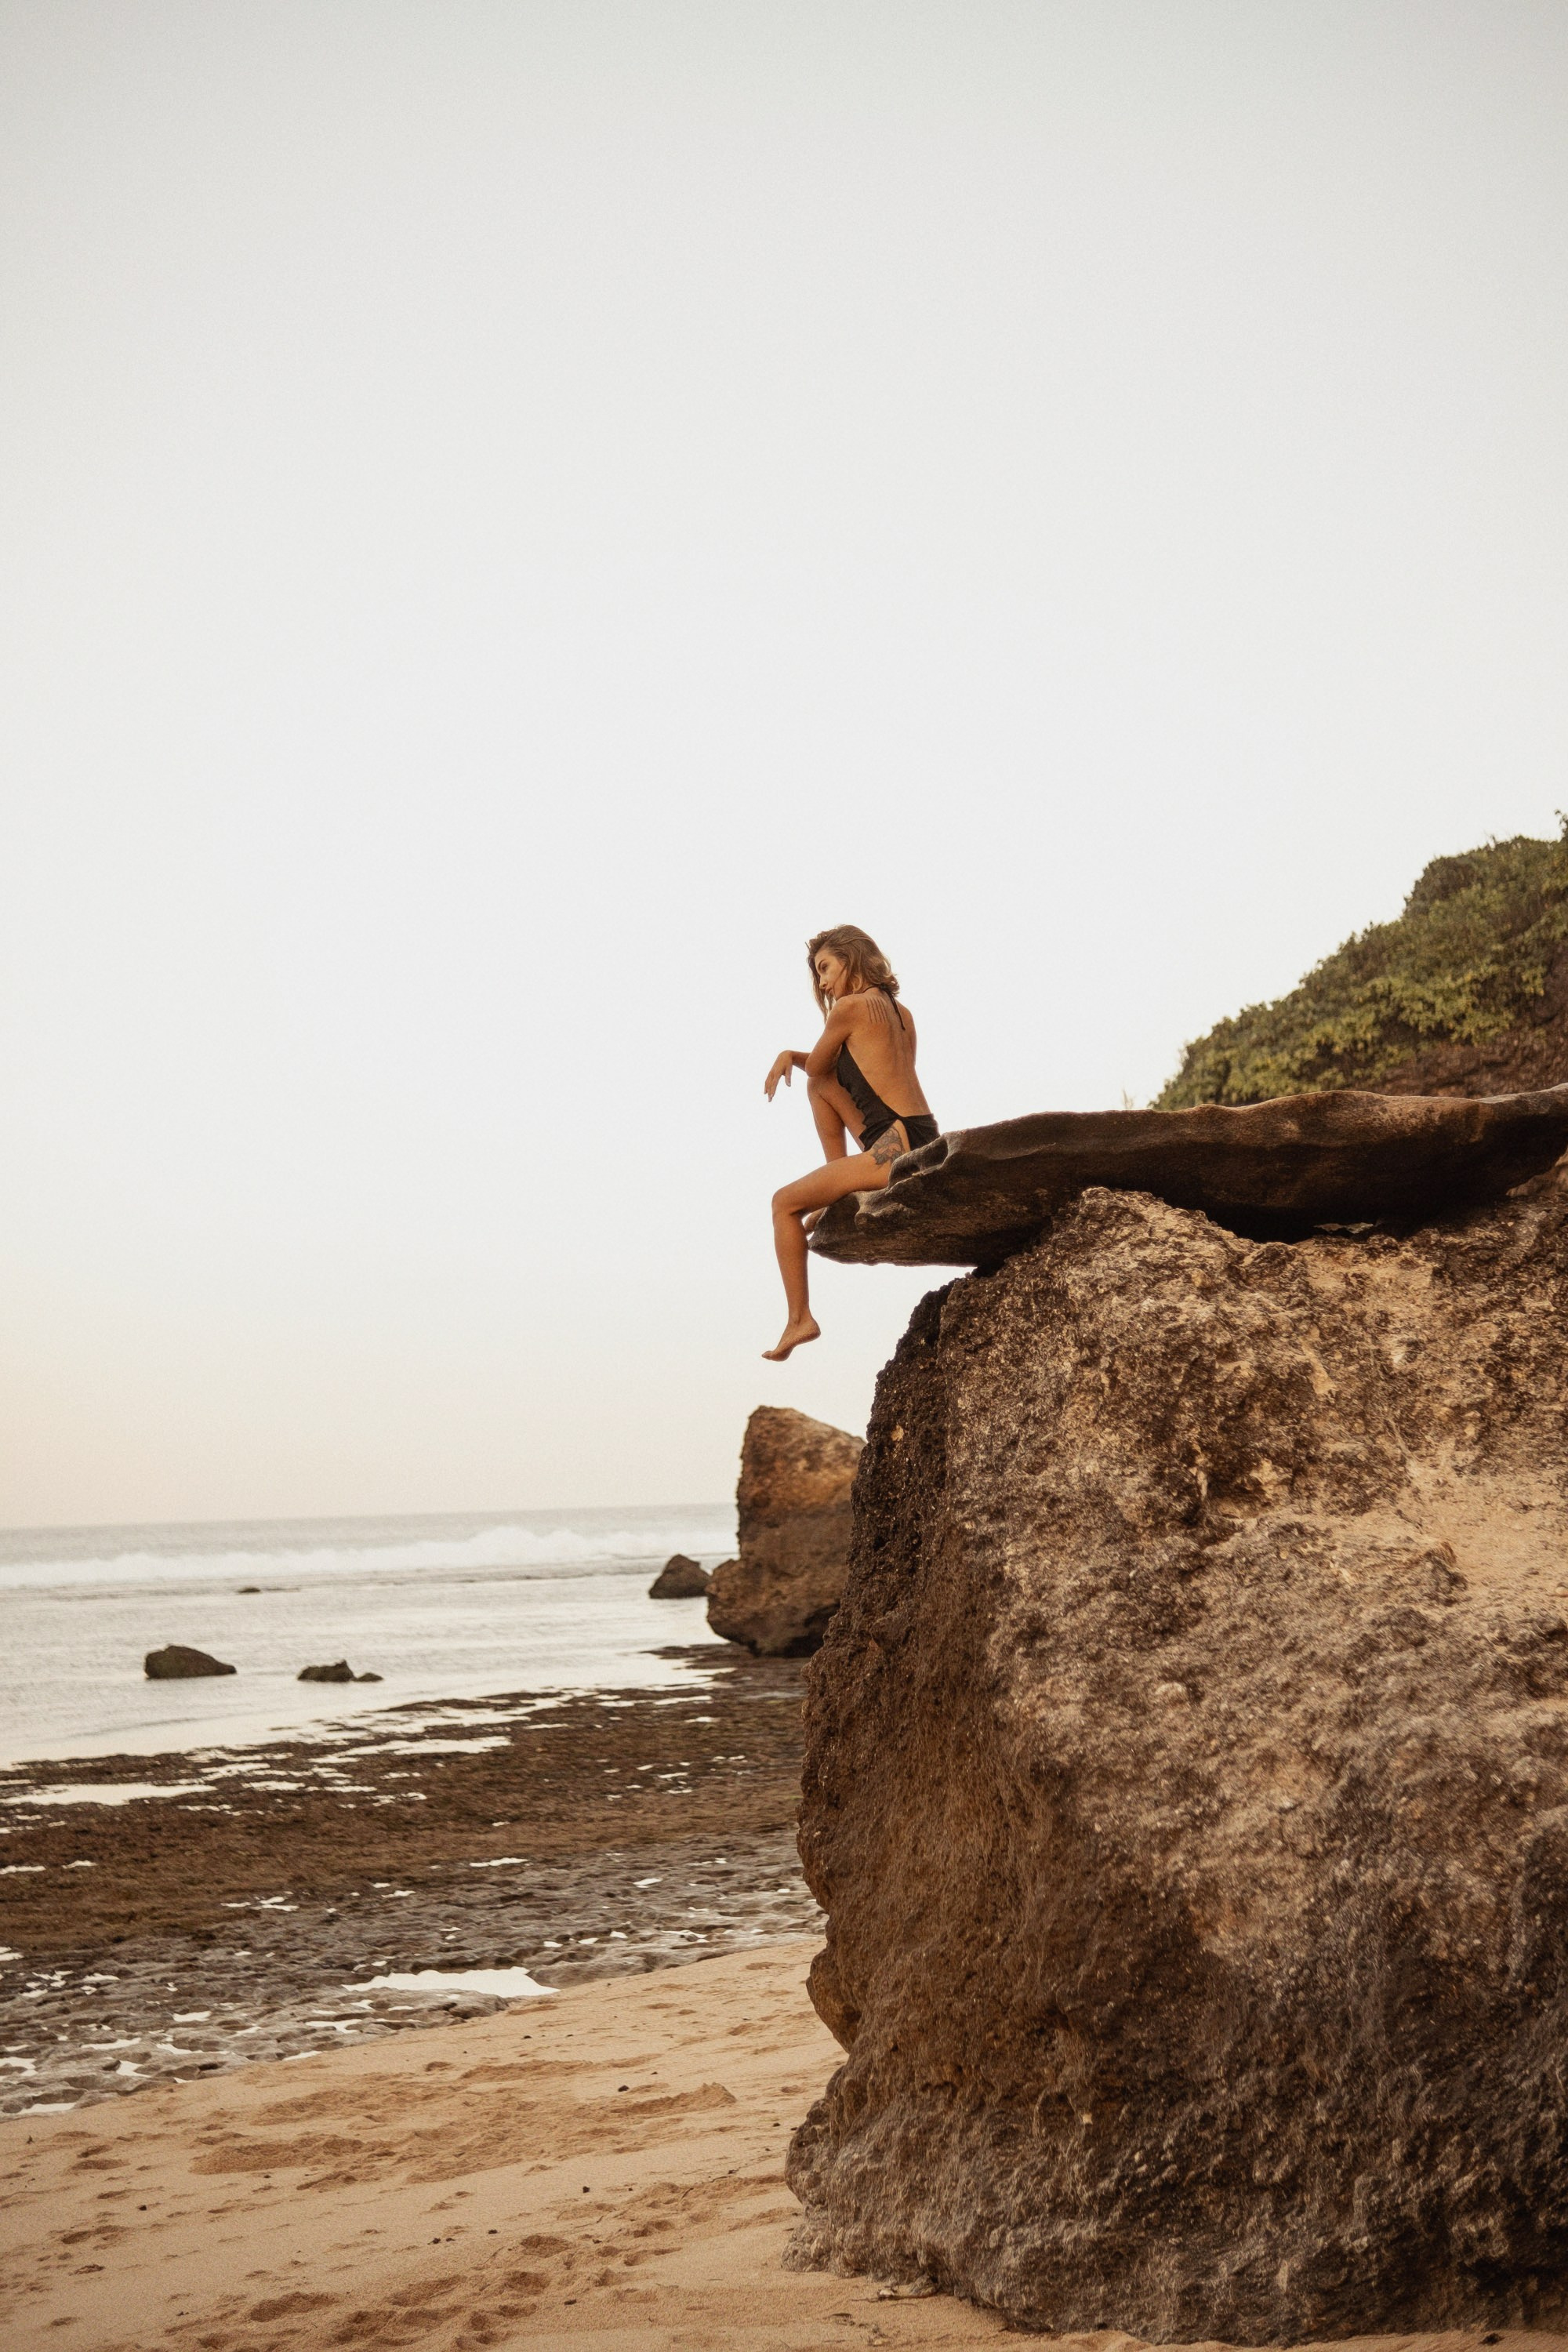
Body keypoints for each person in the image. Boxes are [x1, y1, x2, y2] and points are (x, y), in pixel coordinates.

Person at [762, 925, 938, 1361]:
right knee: (820, 1085)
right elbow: (844, 1074)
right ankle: (835, 1188)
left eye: (825, 968)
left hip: (895, 1148)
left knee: (783, 1204)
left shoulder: (849, 1008)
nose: (823, 982)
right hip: (919, 1133)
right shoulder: (903, 1014)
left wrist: (788, 1054)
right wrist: (799, 1059)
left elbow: (818, 1062)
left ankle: (799, 1319)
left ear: (851, 959)